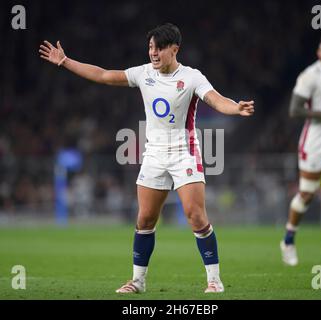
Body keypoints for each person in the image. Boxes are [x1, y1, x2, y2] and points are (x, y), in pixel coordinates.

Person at [39, 23, 255, 293]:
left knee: (196, 217)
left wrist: (236, 107)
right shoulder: (143, 73)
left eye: (159, 47)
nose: (153, 52)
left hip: (183, 153)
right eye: (150, 47)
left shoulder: (191, 77)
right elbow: (105, 75)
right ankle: (138, 281)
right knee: (145, 220)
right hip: (154, 155)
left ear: (174, 49)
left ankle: (214, 280)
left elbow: (215, 99)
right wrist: (66, 61)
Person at [280, 33, 321, 266]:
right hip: (314, 140)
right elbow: (294, 110)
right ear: (318, 53)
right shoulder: (310, 76)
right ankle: (288, 239)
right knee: (306, 194)